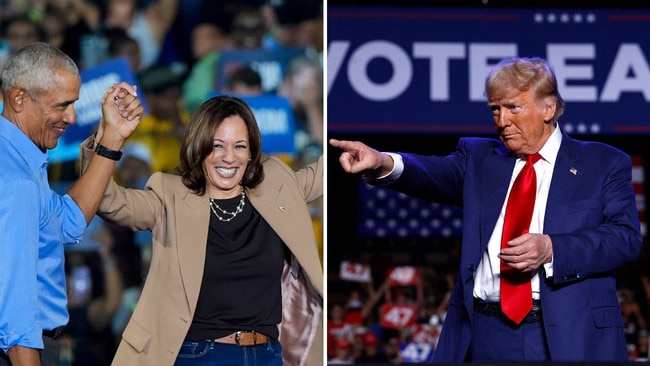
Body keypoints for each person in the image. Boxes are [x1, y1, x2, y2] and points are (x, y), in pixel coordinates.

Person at [329, 56, 643, 362]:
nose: (502, 121)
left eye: (513, 108)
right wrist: (381, 161)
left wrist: (552, 248)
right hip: (485, 333)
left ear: (548, 108)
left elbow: (624, 239)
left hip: (567, 335)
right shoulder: (480, 159)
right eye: (495, 109)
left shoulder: (601, 163)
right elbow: (430, 172)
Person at [79, 95, 323, 365]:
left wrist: (378, 162)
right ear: (199, 148)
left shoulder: (277, 187)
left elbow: (334, 168)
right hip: (198, 356)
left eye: (240, 146)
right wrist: (109, 139)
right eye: (217, 146)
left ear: (252, 151)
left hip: (267, 355)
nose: (229, 158)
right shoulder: (169, 197)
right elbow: (105, 199)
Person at [0, 42, 142, 366]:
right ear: (19, 98)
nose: (72, 117)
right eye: (62, 105)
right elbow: (15, 310)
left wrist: (111, 139)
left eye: (74, 104)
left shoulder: (18, 160)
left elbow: (66, 222)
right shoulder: (13, 179)